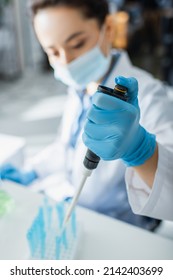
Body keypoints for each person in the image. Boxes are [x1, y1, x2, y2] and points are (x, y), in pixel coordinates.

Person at [0, 0, 163, 230]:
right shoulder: (82, 87)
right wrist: (30, 172)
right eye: (53, 52)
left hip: (122, 230)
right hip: (81, 216)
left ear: (107, 29)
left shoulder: (150, 96)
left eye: (77, 44)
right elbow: (66, 148)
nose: (66, 62)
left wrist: (141, 151)